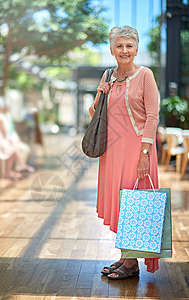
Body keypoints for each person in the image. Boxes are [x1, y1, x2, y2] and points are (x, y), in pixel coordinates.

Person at [89, 26, 159, 279]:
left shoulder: (145, 75)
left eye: (129, 46)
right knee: (121, 204)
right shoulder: (107, 75)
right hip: (112, 151)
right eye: (119, 46)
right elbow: (94, 114)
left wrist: (144, 153)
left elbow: (152, 116)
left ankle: (131, 264)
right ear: (111, 50)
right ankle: (126, 258)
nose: (124, 50)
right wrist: (100, 94)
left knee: (135, 204)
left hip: (137, 150)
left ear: (137, 49)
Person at [0, 96, 34, 181]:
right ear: (0, 107)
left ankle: (18, 167)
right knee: (14, 148)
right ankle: (11, 171)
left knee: (14, 147)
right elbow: (5, 133)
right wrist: (11, 139)